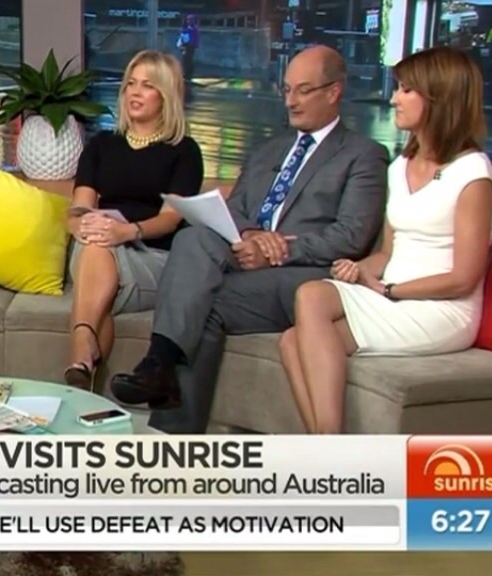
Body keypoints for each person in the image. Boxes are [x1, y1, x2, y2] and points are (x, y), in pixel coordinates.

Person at [109, 45, 389, 433]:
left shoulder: (364, 155)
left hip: (308, 276)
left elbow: (351, 236)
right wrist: (250, 234)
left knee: (202, 302)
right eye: (286, 89)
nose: (290, 101)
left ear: (333, 92)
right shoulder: (269, 148)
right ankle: (159, 364)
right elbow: (236, 206)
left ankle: (171, 426)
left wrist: (278, 249)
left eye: (303, 90)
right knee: (193, 238)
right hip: (247, 256)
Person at [279, 46, 492, 434]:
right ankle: (328, 448)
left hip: (441, 310)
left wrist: (392, 290)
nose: (394, 98)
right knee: (291, 341)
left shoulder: (472, 173)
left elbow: (464, 278)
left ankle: (325, 444)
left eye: (406, 90)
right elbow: (388, 253)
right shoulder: (400, 167)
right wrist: (359, 269)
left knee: (311, 296)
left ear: (439, 98)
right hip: (393, 297)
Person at [64, 49, 204, 391]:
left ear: (166, 95)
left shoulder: (184, 152)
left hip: (151, 254)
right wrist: (82, 225)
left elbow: (170, 219)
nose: (135, 93)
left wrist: (127, 231)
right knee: (95, 244)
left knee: (97, 269)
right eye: (130, 83)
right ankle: (84, 355)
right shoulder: (101, 145)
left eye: (147, 86)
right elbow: (78, 209)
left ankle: (82, 358)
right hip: (98, 246)